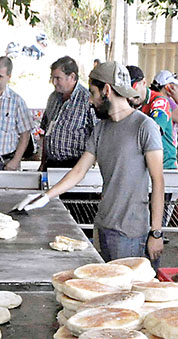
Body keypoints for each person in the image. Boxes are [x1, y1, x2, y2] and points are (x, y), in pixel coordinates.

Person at [15, 61, 165, 266]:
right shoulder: (101, 128)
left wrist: (156, 233)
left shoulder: (144, 127)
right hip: (103, 224)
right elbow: (79, 171)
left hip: (130, 232)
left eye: (93, 93)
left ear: (107, 90)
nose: (90, 101)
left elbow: (158, 182)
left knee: (125, 291)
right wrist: (45, 197)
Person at [129, 66, 178, 172]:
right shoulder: (132, 102)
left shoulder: (161, 101)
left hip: (163, 165)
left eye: (133, 90)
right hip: (142, 164)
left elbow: (154, 130)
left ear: (144, 83)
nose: (130, 97)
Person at [39, 56, 95, 169]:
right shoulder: (53, 98)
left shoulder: (87, 100)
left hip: (75, 166)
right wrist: (43, 163)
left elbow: (97, 136)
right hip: (51, 164)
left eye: (58, 78)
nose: (54, 82)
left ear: (72, 77)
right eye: (52, 78)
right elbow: (46, 132)